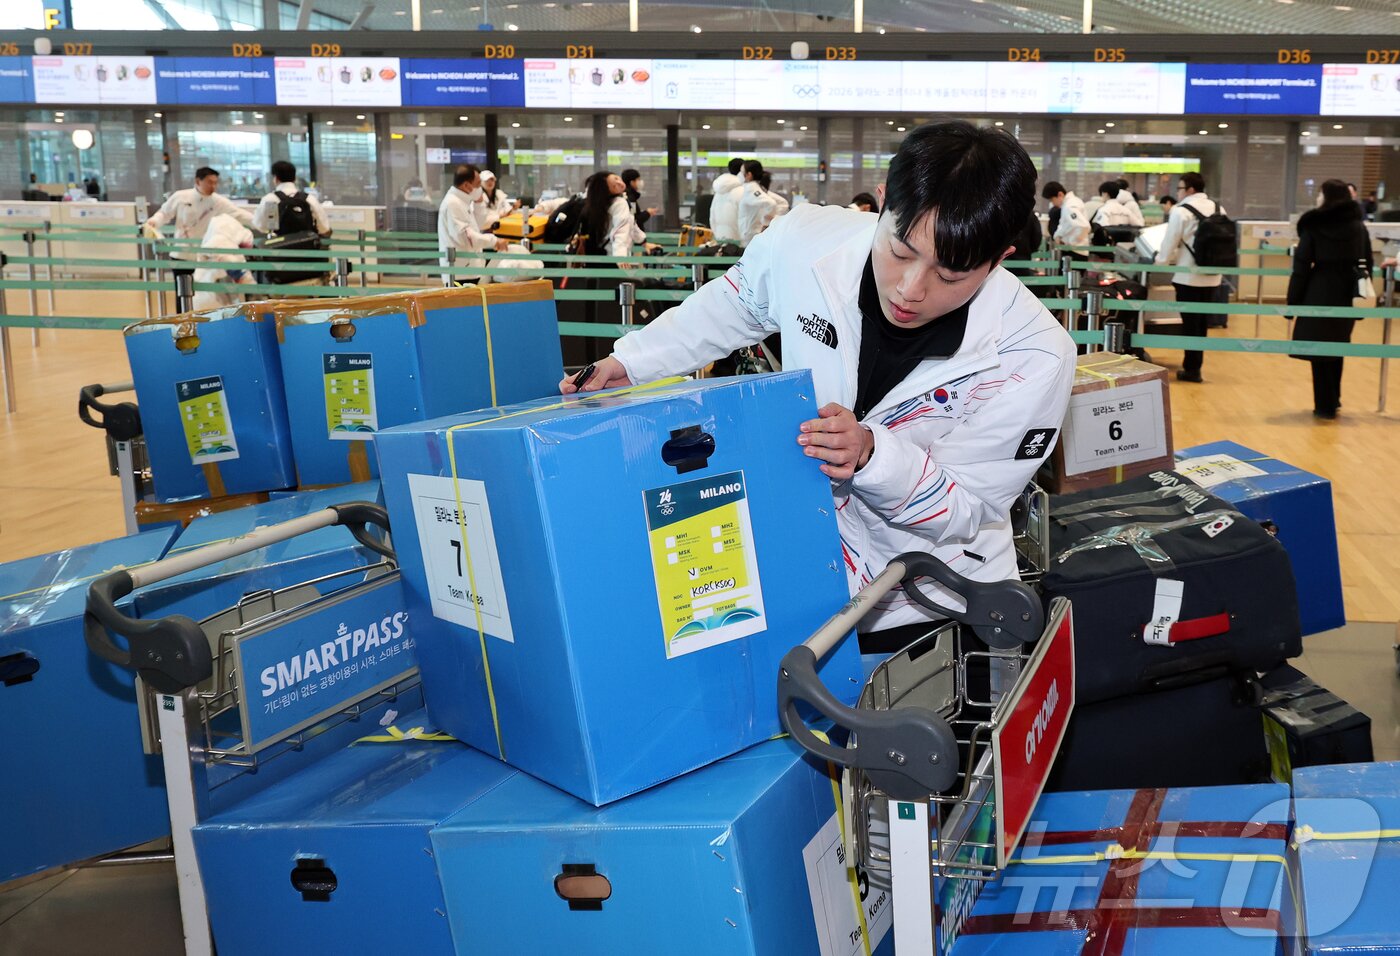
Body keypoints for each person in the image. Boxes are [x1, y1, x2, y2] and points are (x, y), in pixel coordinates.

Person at [559, 121, 1076, 650]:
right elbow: (739, 301)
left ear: (1000, 260)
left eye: (950, 276)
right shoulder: (805, 242)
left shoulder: (1033, 356)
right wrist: (633, 361)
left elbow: (967, 506)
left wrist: (873, 455)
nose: (910, 289)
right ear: (881, 204)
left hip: (931, 600)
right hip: (806, 566)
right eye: (900, 251)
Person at [1289, 179, 1373, 420]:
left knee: (1319, 348)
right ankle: (1333, 399)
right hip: (1348, 291)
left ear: (1327, 197)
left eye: (1319, 194)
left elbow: (1301, 266)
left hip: (1319, 289)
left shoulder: (1314, 225)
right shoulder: (1358, 226)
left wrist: (1292, 302)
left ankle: (1323, 404)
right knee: (1338, 346)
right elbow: (1368, 260)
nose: (1317, 198)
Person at [1156, 171, 1223, 383]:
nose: (1179, 192)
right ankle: (1195, 367)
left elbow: (1169, 244)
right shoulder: (1219, 208)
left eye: (1180, 188)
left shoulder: (1180, 211)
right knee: (1202, 323)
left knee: (1190, 323)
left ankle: (1192, 370)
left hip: (1188, 277)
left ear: (1190, 189)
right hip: (1213, 276)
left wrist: (1160, 261)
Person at [143, 167, 254, 263]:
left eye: (216, 183)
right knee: (182, 286)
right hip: (181, 254)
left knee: (204, 286)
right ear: (198, 181)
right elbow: (164, 213)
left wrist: (261, 223)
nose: (213, 186)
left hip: (205, 255)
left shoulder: (218, 201)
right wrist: (154, 221)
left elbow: (239, 214)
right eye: (210, 182)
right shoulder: (181, 196)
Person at [438, 164, 510, 284]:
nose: (480, 188)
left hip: (469, 269)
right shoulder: (453, 203)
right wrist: (494, 241)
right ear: (466, 185)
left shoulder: (463, 201)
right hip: (460, 273)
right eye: (478, 184)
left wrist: (479, 203)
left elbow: (479, 224)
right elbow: (465, 236)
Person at [578, 170, 657, 258]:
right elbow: (620, 232)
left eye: (616, 178)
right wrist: (621, 257)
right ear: (607, 190)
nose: (619, 183)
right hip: (611, 256)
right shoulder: (619, 203)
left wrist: (643, 242)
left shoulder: (599, 205)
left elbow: (631, 222)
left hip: (598, 253)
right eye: (614, 185)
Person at [253, 161, 331, 238]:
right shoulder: (309, 199)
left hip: (278, 247)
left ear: (275, 179)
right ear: (295, 178)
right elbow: (324, 228)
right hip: (307, 247)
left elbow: (259, 226)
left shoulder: (269, 199)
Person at [737, 161, 789, 247]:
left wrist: (766, 223)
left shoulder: (751, 189)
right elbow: (782, 203)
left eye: (742, 172)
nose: (739, 175)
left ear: (749, 175)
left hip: (750, 237)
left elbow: (770, 204)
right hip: (752, 235)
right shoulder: (756, 188)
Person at [1042, 181, 1089, 257]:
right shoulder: (1072, 202)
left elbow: (1082, 225)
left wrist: (1067, 241)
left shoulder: (1069, 206)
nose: (1053, 203)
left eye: (1052, 200)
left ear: (1060, 194)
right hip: (1076, 249)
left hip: (1073, 251)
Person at [709, 158, 744, 243]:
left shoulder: (718, 192)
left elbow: (712, 216)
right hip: (738, 241)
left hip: (719, 237)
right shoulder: (743, 190)